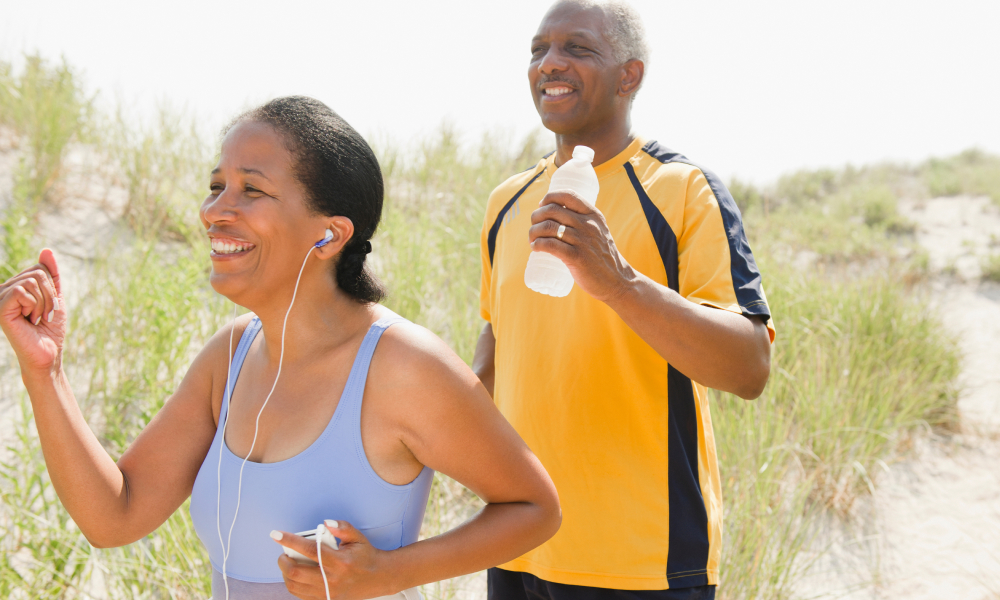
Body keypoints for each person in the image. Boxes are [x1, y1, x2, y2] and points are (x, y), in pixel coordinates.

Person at [0, 96, 561, 600]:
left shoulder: (402, 366)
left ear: (329, 234)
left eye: (252, 189)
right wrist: (45, 373)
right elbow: (114, 517)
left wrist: (391, 573)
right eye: (216, 185)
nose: (215, 208)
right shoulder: (230, 356)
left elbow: (535, 508)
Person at [473, 2, 775, 599]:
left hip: (640, 560)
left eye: (577, 49)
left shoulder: (682, 190)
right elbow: (497, 343)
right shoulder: (507, 201)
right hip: (518, 541)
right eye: (538, 50)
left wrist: (620, 283)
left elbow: (748, 367)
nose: (550, 64)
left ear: (629, 75)